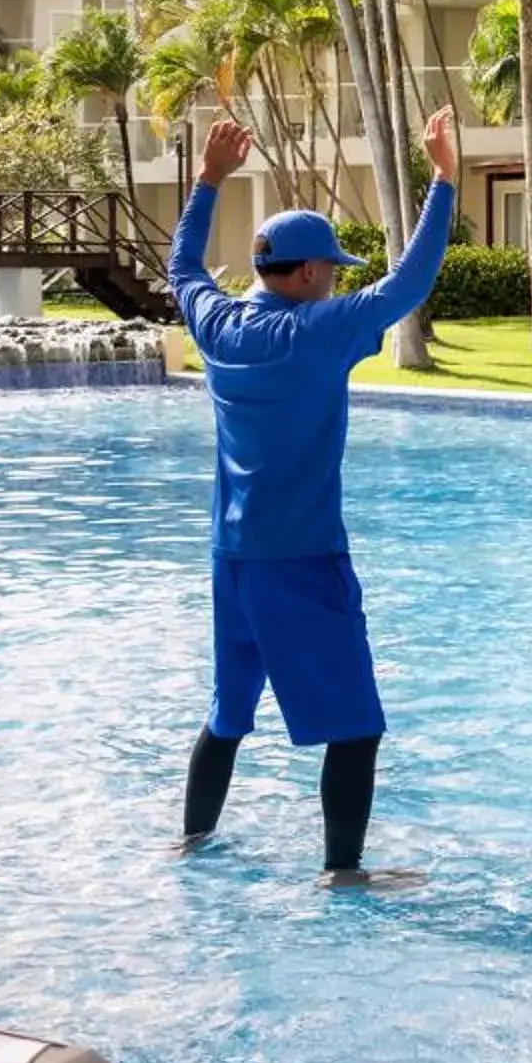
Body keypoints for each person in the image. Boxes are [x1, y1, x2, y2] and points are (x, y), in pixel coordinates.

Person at [169, 108, 458, 884]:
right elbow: (410, 283)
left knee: (229, 715)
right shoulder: (315, 332)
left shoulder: (218, 324)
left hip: (232, 560)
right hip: (302, 559)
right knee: (357, 726)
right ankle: (343, 871)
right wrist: (443, 180)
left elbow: (182, 271)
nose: (334, 276)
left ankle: (190, 844)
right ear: (299, 275)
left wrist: (207, 183)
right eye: (328, 267)